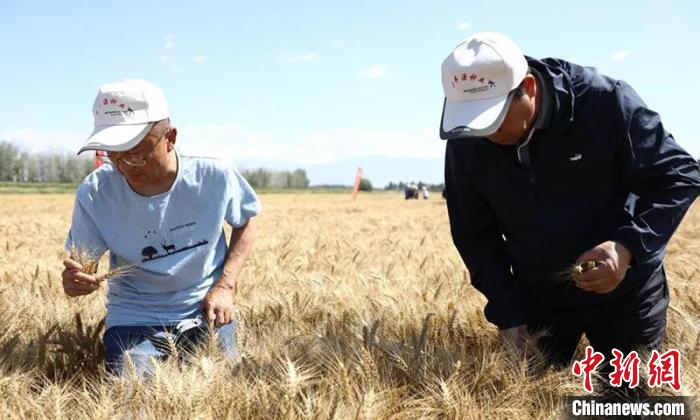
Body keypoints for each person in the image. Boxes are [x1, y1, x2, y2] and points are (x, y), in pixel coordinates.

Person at [440, 32, 700, 372]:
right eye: (477, 121)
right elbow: (473, 233)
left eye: (495, 117)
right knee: (533, 399)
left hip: (626, 294)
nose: (487, 133)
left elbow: (679, 175)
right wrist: (507, 312)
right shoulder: (468, 135)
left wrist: (626, 248)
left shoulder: (605, 103)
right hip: (539, 295)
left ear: (529, 88)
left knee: (629, 401)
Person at [61, 79, 261, 377]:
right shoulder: (95, 192)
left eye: (136, 153)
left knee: (229, 385)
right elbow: (81, 266)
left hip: (206, 309)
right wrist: (76, 282)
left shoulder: (213, 175)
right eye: (112, 154)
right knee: (135, 402)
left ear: (170, 137)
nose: (125, 167)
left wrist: (225, 286)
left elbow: (246, 221)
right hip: (133, 317)